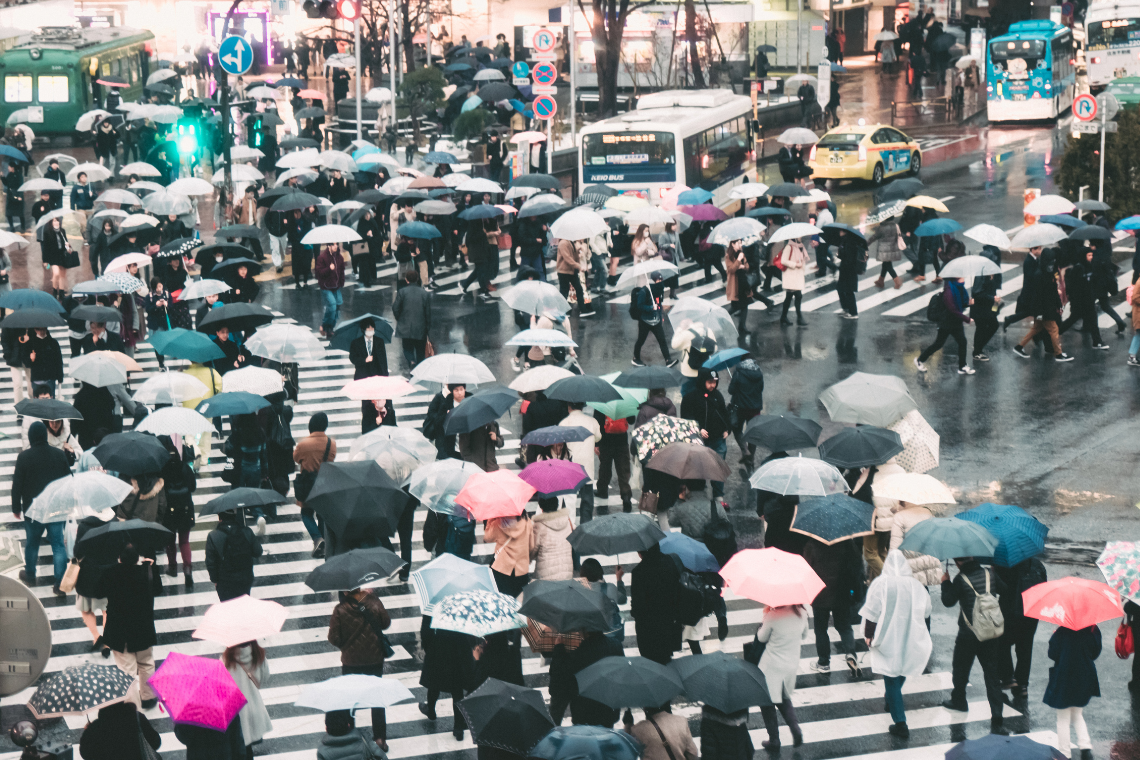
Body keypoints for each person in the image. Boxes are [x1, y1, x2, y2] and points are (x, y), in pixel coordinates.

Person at [859, 550, 933, 738]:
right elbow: (926, 610)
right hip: (910, 634)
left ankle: (900, 722)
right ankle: (891, 699)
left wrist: (869, 635)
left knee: (890, 674)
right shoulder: (916, 585)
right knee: (901, 669)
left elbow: (872, 611)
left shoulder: (881, 583)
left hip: (887, 636)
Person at [941, 556, 1009, 734]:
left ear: (957, 562)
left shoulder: (960, 580)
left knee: (961, 668)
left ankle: (959, 701)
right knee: (991, 673)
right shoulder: (989, 573)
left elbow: (948, 601)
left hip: (968, 634)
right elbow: (1004, 589)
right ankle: (997, 714)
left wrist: (945, 582)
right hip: (990, 633)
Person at [328, 587, 392, 752]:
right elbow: (386, 623)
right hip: (374, 659)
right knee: (376, 699)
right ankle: (380, 739)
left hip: (351, 662)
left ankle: (351, 736)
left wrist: (346, 646)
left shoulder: (340, 609)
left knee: (350, 699)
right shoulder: (373, 601)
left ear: (345, 591)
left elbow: (334, 638)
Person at [98, 543, 160, 708]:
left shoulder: (111, 572)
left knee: (127, 670)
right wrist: (150, 566)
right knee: (146, 663)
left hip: (120, 629)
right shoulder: (146, 571)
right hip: (143, 628)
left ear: (120, 558)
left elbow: (99, 591)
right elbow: (158, 589)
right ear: (137, 558)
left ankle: (131, 706)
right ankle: (148, 697)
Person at [13, 420, 71, 594]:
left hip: (34, 510)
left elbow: (17, 485)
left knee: (32, 543)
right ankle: (59, 583)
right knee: (58, 545)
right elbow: (68, 481)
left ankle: (30, 574)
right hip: (56, 507)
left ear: (31, 437)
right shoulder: (59, 455)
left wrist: (16, 507)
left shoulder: (24, 457)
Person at [803, 537, 862, 675]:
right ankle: (850, 652)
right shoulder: (847, 542)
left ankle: (824, 662)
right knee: (844, 627)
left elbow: (806, 567)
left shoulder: (812, 543)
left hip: (819, 593)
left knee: (821, 629)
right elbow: (856, 564)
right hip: (841, 591)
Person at [1044, 624, 1100, 759]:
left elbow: (1052, 653)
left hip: (1065, 676)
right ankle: (1085, 747)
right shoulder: (1093, 629)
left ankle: (1064, 753)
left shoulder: (1062, 631)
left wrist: (1055, 636)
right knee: (1077, 712)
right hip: (1084, 675)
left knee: (1063, 717)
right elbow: (1095, 652)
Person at [995, 556, 1047, 700]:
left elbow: (1000, 588)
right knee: (1025, 648)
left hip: (1010, 611)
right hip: (1031, 613)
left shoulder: (1005, 564)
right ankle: (1022, 686)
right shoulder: (1038, 565)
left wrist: (994, 572)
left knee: (1001, 641)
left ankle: (1007, 677)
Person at [756, 604, 808, 750]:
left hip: (772, 665)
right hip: (790, 664)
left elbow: (761, 638)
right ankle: (795, 729)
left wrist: (765, 618)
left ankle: (774, 740)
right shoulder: (801, 613)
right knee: (784, 698)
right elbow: (804, 635)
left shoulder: (773, 616)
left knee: (767, 702)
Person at [680, 369, 731, 505]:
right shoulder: (690, 398)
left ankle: (718, 497)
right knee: (698, 469)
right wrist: (698, 429)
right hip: (700, 442)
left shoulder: (717, 396)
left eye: (715, 382)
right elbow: (686, 418)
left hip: (717, 440)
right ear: (703, 381)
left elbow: (725, 414)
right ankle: (698, 495)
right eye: (710, 382)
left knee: (718, 468)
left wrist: (727, 429)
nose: (713, 385)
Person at [1014, 251, 1072, 362]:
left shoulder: (1047, 272)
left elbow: (1053, 291)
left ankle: (1019, 346)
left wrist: (1058, 304)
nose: (1051, 265)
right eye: (1050, 263)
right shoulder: (1039, 275)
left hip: (1046, 308)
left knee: (1035, 329)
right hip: (1044, 310)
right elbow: (1038, 296)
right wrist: (1040, 312)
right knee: (1054, 330)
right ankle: (1058, 354)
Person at [631, 542, 683, 664]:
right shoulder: (670, 562)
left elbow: (637, 606)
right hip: (669, 623)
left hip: (648, 629)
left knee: (651, 664)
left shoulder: (639, 572)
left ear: (640, 553)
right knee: (666, 661)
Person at [293, 412, 336, 557]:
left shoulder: (303, 444)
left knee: (306, 514)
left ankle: (317, 538)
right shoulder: (331, 443)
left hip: (307, 484)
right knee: (322, 515)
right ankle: (322, 544)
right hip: (324, 483)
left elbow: (296, 458)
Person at [915, 277, 975, 375]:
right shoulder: (949, 291)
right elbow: (952, 309)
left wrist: (969, 303)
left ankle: (962, 366)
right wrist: (966, 319)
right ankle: (920, 360)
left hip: (956, 321)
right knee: (939, 344)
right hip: (946, 322)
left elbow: (960, 305)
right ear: (955, 279)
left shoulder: (960, 288)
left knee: (962, 342)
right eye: (961, 277)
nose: (963, 278)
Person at [224, 641, 272, 758]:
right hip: (254, 708)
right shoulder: (258, 655)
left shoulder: (226, 660)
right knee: (248, 748)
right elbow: (265, 678)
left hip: (237, 713)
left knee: (239, 748)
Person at [160, 435, 197, 588]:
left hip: (169, 510)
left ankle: (173, 567)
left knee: (170, 541)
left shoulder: (162, 469)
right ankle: (187, 570)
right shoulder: (185, 468)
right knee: (184, 541)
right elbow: (193, 487)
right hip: (186, 508)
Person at [205, 510, 263, 601]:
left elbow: (211, 562)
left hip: (224, 581)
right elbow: (258, 552)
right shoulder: (247, 532)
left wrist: (215, 580)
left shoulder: (213, 536)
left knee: (228, 610)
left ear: (220, 518)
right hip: (245, 579)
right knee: (243, 606)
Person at [561, 401, 601, 526]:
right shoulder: (592, 421)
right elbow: (598, 437)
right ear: (583, 407)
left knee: (569, 500)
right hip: (586, 466)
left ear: (569, 407)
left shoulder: (564, 423)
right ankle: (586, 526)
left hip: (570, 465)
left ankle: (570, 527)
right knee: (587, 498)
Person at [79, 701, 161, 760]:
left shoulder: (96, 727)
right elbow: (155, 742)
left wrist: (88, 731)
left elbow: (85, 753)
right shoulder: (137, 718)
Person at [594, 407, 633, 513]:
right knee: (623, 470)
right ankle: (625, 496)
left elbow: (597, 422)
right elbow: (632, 420)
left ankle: (602, 490)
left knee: (605, 466)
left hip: (605, 440)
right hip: (622, 440)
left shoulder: (602, 401)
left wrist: (597, 443)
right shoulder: (625, 401)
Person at [631, 273, 674, 366]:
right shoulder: (644, 291)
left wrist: (659, 315)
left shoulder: (659, 291)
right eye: (659, 280)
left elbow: (659, 305)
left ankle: (668, 360)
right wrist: (651, 307)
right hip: (645, 321)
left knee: (662, 340)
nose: (661, 282)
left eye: (661, 280)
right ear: (654, 281)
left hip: (656, 320)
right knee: (641, 340)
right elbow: (640, 306)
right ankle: (636, 358)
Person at [392, 269, 432, 367]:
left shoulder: (402, 292)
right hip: (420, 326)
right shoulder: (424, 293)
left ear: (406, 280)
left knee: (407, 348)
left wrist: (400, 319)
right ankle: (418, 368)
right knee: (420, 351)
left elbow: (395, 308)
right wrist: (427, 327)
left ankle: (411, 361)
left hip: (406, 326)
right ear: (417, 279)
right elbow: (428, 313)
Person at [485, 512, 532, 596]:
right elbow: (531, 545)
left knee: (503, 597)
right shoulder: (527, 521)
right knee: (519, 598)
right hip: (521, 568)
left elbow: (488, 538)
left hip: (502, 567)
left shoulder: (498, 523)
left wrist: (490, 521)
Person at [629, 705, 699, 760]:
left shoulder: (638, 729)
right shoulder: (681, 721)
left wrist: (628, 725)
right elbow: (693, 753)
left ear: (646, 708)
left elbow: (628, 752)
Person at [529, 496, 573, 581]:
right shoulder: (567, 521)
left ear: (541, 508)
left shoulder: (539, 526)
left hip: (545, 576)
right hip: (567, 573)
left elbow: (532, 550)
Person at [317, 711, 385, 760]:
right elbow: (381, 756)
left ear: (326, 728)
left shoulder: (322, 750)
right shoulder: (363, 738)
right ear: (348, 724)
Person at [423, 383, 465, 459]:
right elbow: (432, 414)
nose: (459, 392)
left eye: (461, 390)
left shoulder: (465, 399)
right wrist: (445, 415)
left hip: (459, 440)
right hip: (443, 437)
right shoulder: (441, 398)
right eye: (456, 390)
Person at [556, 236, 595, 317]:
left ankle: (583, 310)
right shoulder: (563, 242)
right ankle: (562, 311)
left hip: (571, 271)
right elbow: (567, 258)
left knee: (579, 289)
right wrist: (578, 266)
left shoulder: (570, 241)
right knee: (564, 291)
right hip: (564, 271)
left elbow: (572, 255)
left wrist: (578, 251)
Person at [20, 327, 63, 397]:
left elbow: (58, 361)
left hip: (50, 377)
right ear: (35, 330)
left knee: (51, 402)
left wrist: (60, 377)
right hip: (37, 378)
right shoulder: (30, 344)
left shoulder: (53, 343)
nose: (41, 331)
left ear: (46, 329)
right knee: (38, 404)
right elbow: (25, 362)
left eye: (43, 329)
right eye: (38, 329)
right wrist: (31, 359)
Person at [41, 215, 76, 299]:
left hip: (62, 256)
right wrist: (45, 261)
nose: (56, 222)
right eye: (54, 221)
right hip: (53, 257)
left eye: (57, 221)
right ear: (51, 223)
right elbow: (45, 248)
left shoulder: (62, 231)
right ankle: (54, 290)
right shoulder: (47, 232)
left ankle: (61, 292)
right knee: (56, 273)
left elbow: (66, 244)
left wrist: (68, 246)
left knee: (62, 275)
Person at [778, 236, 810, 326]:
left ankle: (783, 317)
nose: (801, 237)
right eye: (799, 236)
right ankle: (799, 318)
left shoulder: (800, 246)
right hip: (791, 276)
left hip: (797, 275)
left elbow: (804, 258)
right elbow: (783, 260)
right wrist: (795, 264)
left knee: (790, 297)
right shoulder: (789, 247)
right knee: (797, 295)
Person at [316, 243, 345, 338]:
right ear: (328, 246)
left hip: (336, 287)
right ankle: (326, 327)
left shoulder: (339, 257)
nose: (335, 246)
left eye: (337, 244)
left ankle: (329, 327)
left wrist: (341, 282)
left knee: (337, 307)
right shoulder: (322, 258)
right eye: (333, 244)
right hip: (326, 287)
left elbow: (341, 272)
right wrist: (329, 269)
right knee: (332, 306)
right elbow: (318, 273)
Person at [868, 216, 904, 288]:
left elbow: (874, 237)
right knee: (886, 264)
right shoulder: (895, 226)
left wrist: (866, 243)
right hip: (893, 248)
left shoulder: (882, 227)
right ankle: (880, 280)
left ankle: (897, 280)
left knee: (888, 265)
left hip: (884, 249)